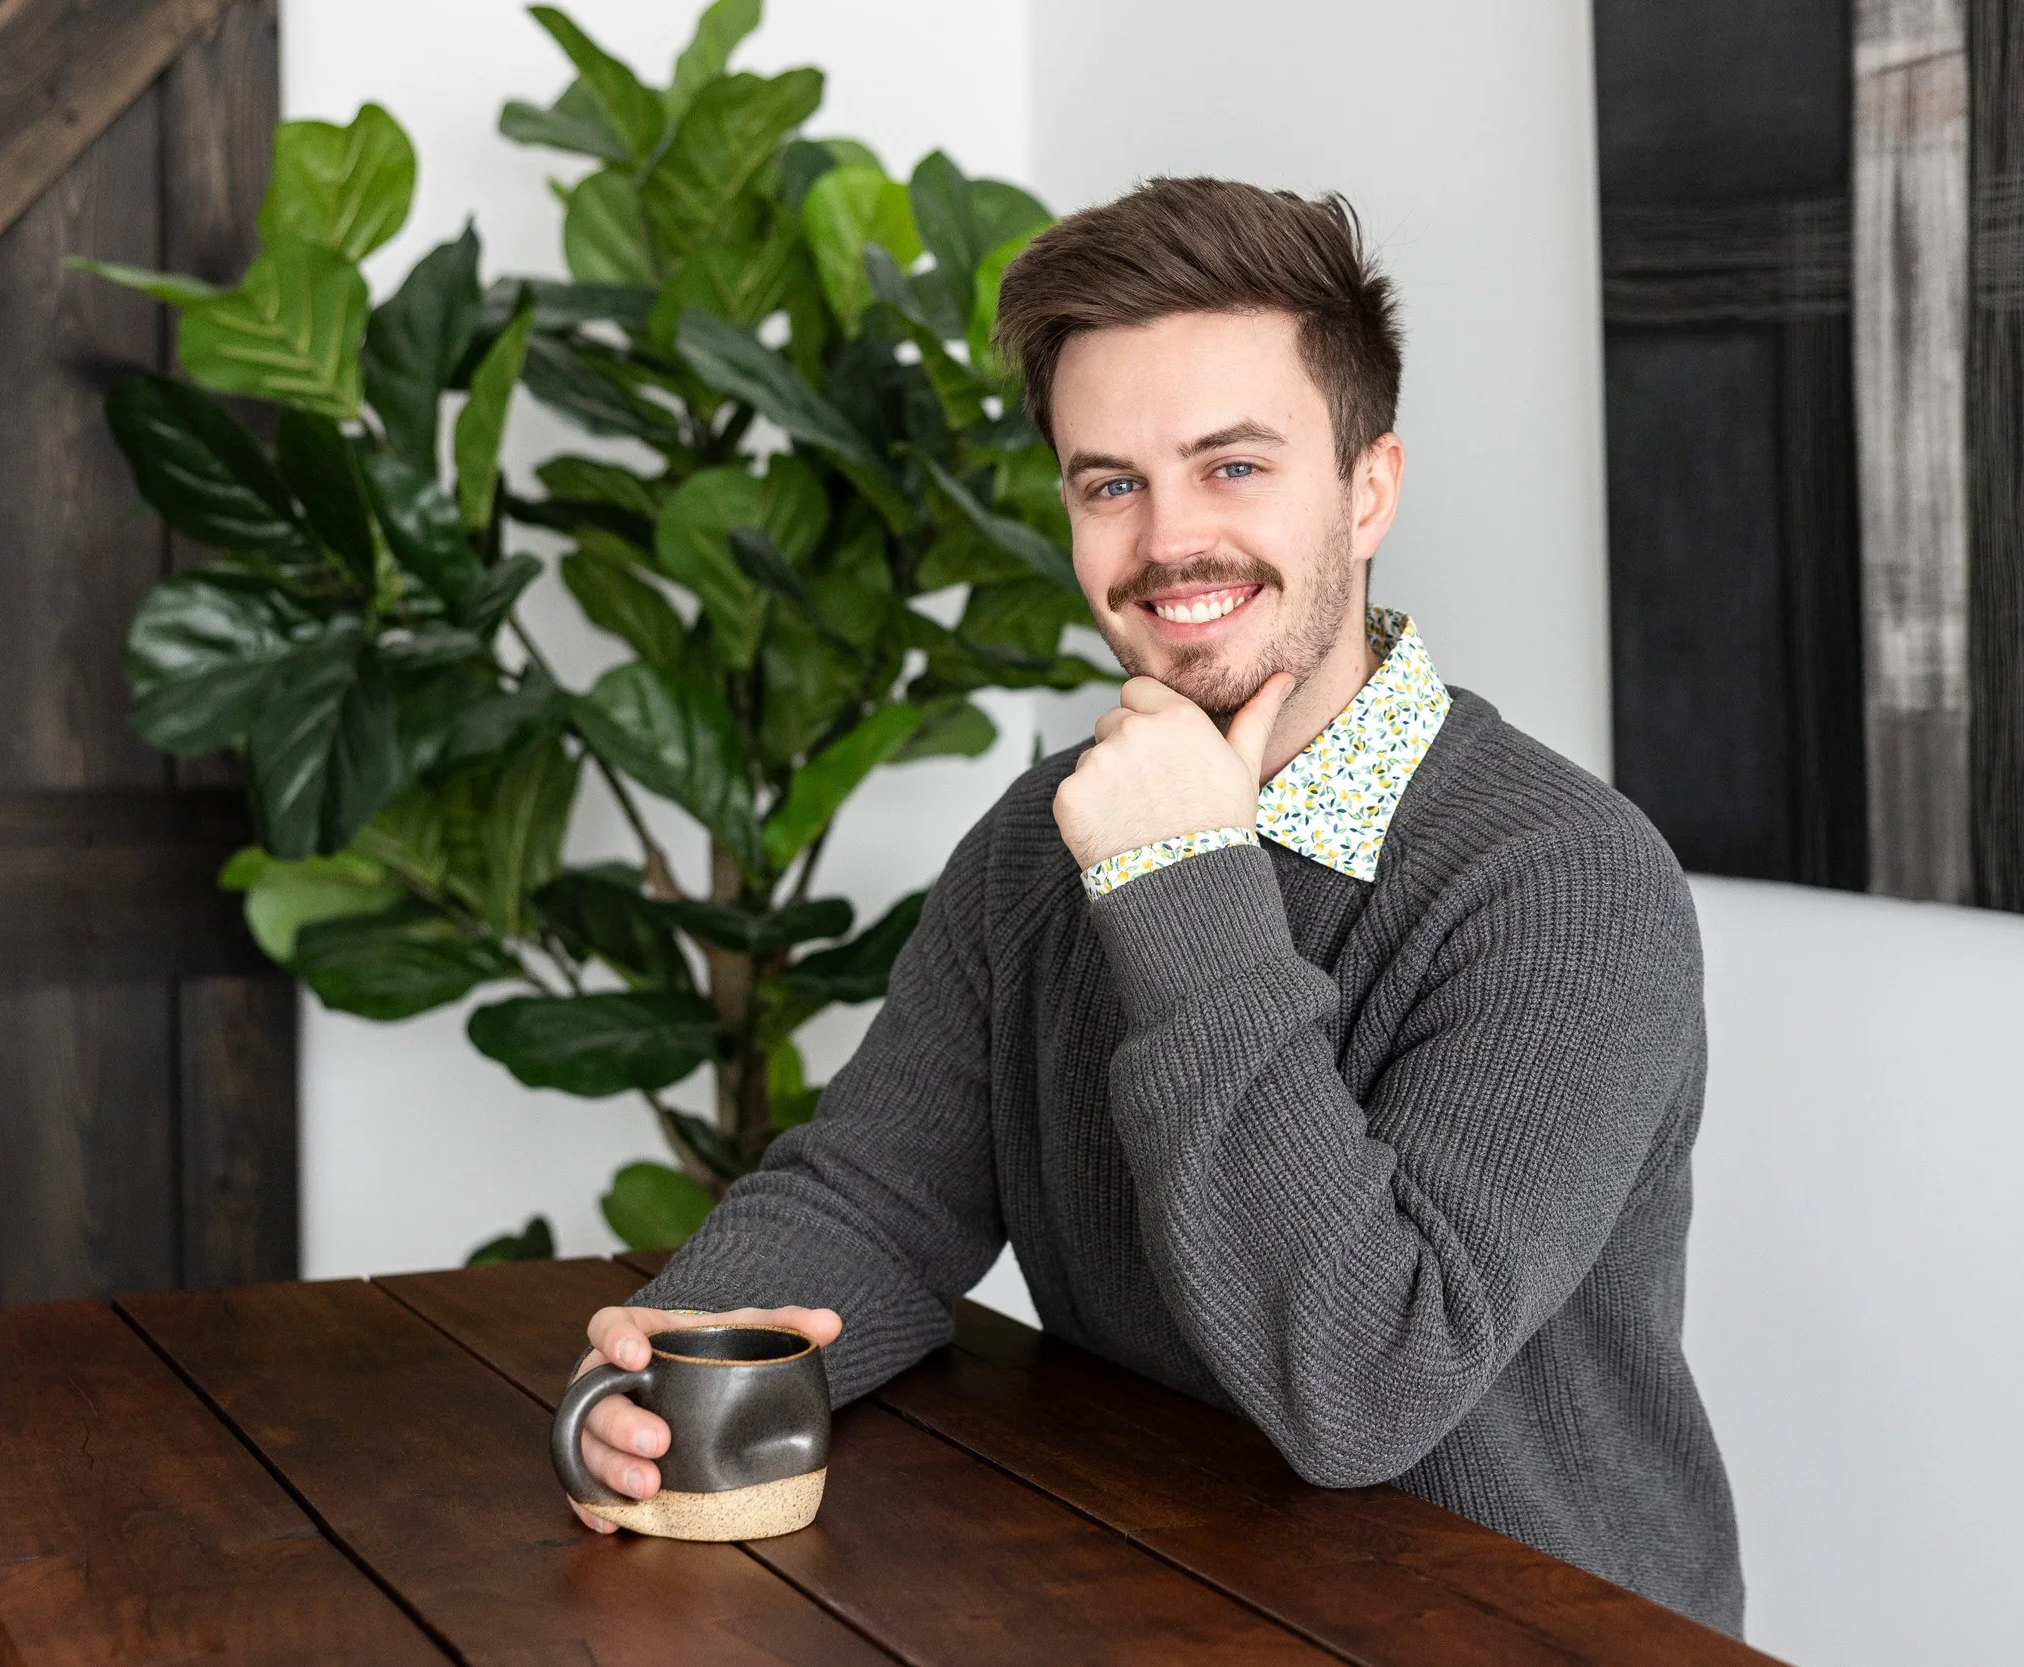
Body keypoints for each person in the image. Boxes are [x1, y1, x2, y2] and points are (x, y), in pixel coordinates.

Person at [564, 176, 1744, 1634]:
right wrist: (672, 1365)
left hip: (1523, 1630)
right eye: (1109, 483)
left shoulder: (1566, 883)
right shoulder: (1042, 841)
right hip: (1165, 1590)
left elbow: (1368, 1383)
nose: (1168, 542)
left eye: (1232, 466)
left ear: (1368, 489)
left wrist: (1182, 884)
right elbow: (877, 1196)